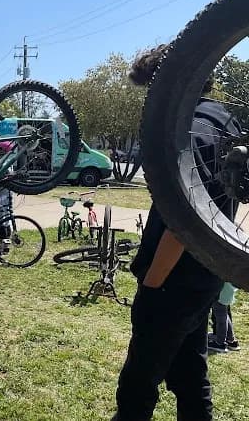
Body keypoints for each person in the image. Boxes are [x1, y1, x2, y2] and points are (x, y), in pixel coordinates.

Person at [111, 44, 241, 421]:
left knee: (138, 383)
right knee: (190, 374)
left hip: (171, 279)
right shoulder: (222, 119)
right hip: (209, 271)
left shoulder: (187, 130)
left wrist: (151, 285)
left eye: (151, 89)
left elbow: (182, 224)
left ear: (165, 84)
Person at [209, 282, 240, 353]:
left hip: (221, 295)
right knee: (225, 316)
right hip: (227, 294)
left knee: (221, 320)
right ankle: (231, 340)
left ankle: (220, 343)